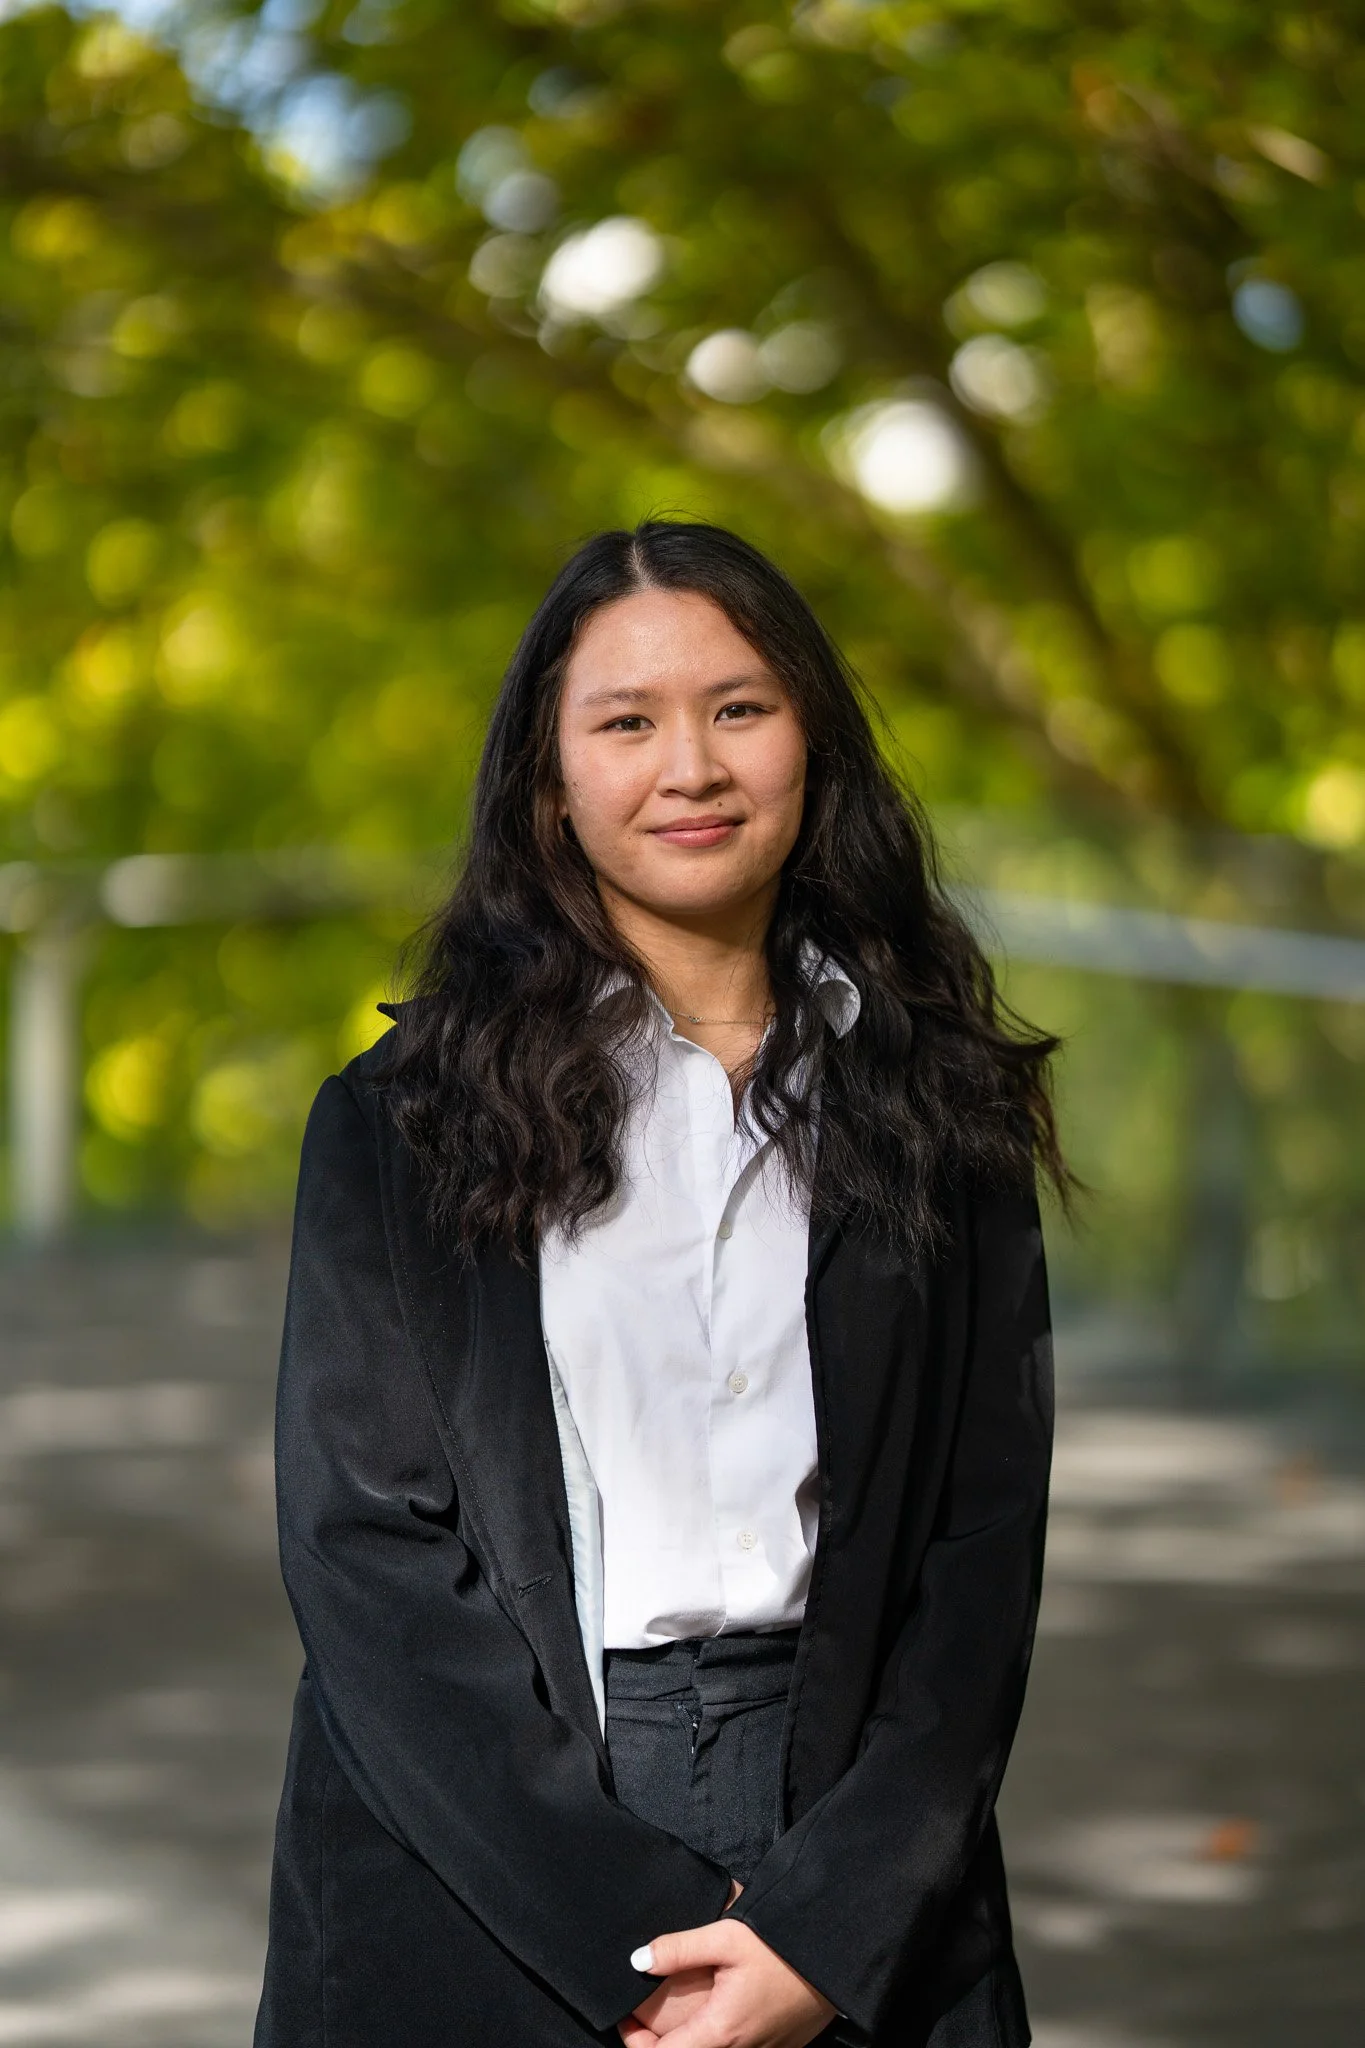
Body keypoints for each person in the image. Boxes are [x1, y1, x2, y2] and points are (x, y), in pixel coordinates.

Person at [253, 518, 1063, 2048]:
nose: (690, 767)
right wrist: (639, 1946)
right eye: (625, 723)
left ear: (811, 736)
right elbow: (366, 1556)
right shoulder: (402, 1123)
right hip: (489, 1838)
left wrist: (831, 1927)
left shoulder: (935, 1107)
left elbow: (980, 1549)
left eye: (738, 708)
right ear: (550, 784)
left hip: (850, 1831)